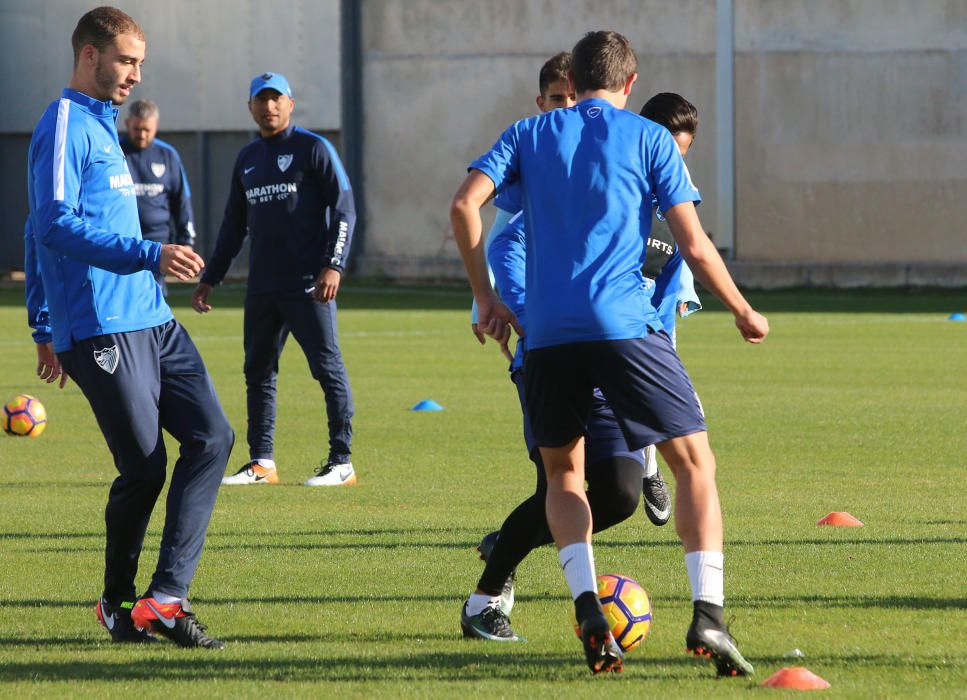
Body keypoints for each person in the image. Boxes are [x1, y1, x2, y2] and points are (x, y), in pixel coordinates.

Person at [450, 31, 768, 675]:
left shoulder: (528, 133)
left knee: (564, 479)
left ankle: (589, 610)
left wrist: (485, 297)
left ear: (573, 80)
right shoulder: (649, 137)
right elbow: (694, 245)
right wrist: (742, 309)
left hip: (548, 338)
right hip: (624, 327)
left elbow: (463, 206)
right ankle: (708, 615)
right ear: (630, 83)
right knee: (693, 464)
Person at [24, 6, 233, 649]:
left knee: (213, 437)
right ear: (89, 55)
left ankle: (165, 598)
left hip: (153, 318)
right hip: (101, 327)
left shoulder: (104, 124)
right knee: (144, 469)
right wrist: (48, 322)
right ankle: (117, 603)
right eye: (127, 61)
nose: (137, 75)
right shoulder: (64, 123)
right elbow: (48, 224)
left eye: (141, 62)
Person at [461, 91, 703, 643]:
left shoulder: (673, 217)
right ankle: (486, 599)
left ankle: (509, 544)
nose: (672, 164)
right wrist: (528, 315)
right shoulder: (589, 186)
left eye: (681, 155)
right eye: (666, 151)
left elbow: (669, 301)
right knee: (557, 482)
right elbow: (507, 245)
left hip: (622, 364)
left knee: (618, 493)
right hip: (555, 352)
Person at [192, 72, 357, 487]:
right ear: (250, 107)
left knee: (327, 369)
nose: (269, 107)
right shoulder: (247, 158)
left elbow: (345, 209)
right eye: (261, 100)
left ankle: (342, 462)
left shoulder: (314, 148)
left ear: (290, 104)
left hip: (309, 284)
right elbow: (233, 225)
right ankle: (262, 462)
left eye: (276, 99)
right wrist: (211, 277)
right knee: (258, 373)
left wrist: (333, 265)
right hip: (263, 287)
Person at [121, 98, 197, 296]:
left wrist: (186, 241)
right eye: (137, 129)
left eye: (147, 129)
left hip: (158, 246)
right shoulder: (114, 152)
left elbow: (182, 201)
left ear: (156, 125)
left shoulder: (168, 155)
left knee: (154, 300)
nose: (142, 135)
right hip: (122, 244)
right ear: (127, 124)